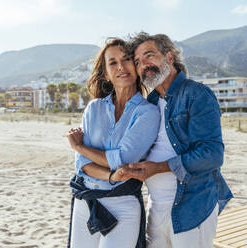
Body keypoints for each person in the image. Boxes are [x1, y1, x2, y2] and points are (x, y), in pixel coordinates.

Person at [120, 32, 233, 248]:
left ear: (169, 57)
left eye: (149, 56)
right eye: (137, 62)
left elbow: (212, 154)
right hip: (155, 206)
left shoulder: (197, 94)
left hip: (191, 208)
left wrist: (159, 167)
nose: (144, 65)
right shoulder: (149, 103)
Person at [66, 38, 160, 248]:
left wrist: (80, 146)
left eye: (126, 59)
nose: (121, 67)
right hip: (85, 202)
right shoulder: (94, 108)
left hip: (122, 205)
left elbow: (123, 159)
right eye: (112, 62)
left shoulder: (148, 112)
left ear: (136, 66)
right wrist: (110, 175)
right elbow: (82, 165)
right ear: (106, 73)